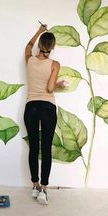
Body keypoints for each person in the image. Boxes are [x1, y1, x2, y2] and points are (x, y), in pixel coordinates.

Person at [24, 23, 66, 205]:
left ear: (40, 45)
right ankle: (44, 190)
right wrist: (60, 85)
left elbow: (27, 46)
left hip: (31, 107)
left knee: (34, 147)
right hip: (48, 107)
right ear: (53, 47)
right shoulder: (55, 64)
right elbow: (49, 88)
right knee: (46, 148)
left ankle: (34, 185)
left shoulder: (30, 60)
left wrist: (39, 31)